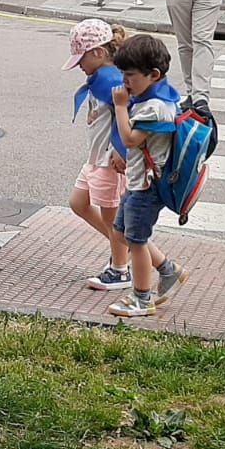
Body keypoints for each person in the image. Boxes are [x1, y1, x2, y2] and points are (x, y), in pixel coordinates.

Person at [106, 34, 189, 318]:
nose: (125, 81)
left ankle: (142, 297)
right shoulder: (154, 96)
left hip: (147, 186)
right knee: (121, 232)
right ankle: (169, 271)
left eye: (130, 75)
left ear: (153, 75)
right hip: (137, 180)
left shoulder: (156, 107)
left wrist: (119, 106)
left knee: (137, 241)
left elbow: (130, 139)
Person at [63, 19, 132, 291]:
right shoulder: (102, 78)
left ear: (98, 53)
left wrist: (121, 150)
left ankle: (121, 269)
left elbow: (131, 114)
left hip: (109, 161)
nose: (79, 65)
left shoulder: (112, 80)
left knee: (112, 218)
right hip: (97, 158)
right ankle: (123, 250)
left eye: (81, 58)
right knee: (79, 202)